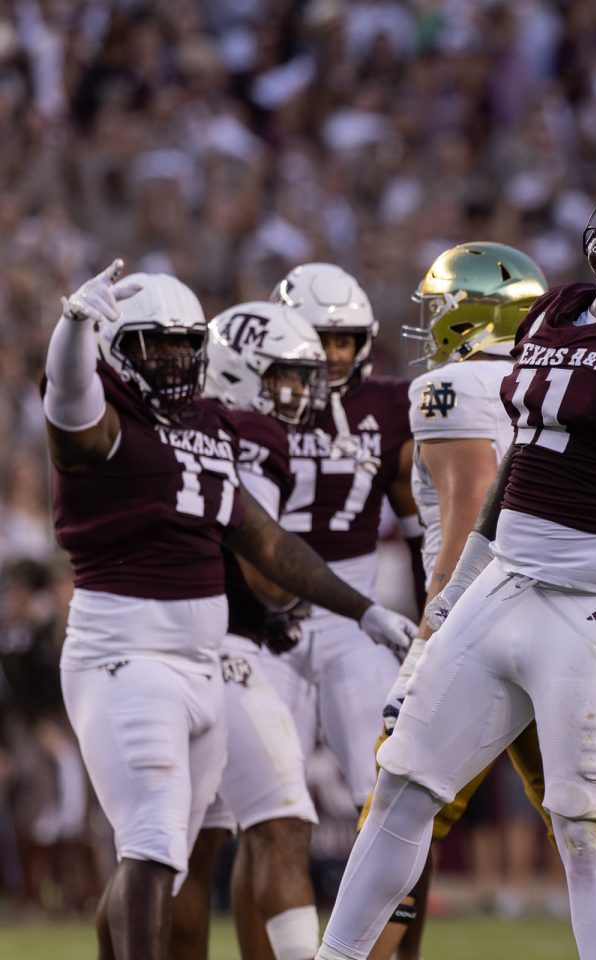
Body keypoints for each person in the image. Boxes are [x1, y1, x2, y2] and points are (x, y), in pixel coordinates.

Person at [315, 184, 596, 960]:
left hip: (595, 612)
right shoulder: (556, 315)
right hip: (503, 589)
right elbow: (519, 463)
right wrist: (465, 578)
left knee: (590, 836)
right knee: (399, 786)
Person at [41, 261, 416, 960]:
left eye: (187, 344)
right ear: (119, 351)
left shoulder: (206, 423)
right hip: (128, 653)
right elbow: (68, 409)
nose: (178, 360)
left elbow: (266, 541)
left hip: (201, 663)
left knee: (169, 855)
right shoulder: (107, 423)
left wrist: (364, 611)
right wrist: (70, 329)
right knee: (162, 845)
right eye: (159, 346)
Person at [372, 240, 550, 959]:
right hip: (559, 624)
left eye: (444, 305)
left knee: (388, 821)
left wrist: (427, 636)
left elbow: (475, 518)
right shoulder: (550, 381)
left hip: (479, 630)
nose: (432, 320)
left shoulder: (452, 391)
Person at [171, 301, 330, 960]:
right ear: (239, 373)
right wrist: (298, 595)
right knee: (283, 821)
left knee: (179, 850)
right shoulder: (252, 434)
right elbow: (265, 573)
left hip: (166, 643)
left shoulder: (191, 424)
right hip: (227, 647)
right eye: (282, 378)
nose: (294, 395)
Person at [263, 263, 419, 816]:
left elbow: (419, 527)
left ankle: (384, 907)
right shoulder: (249, 398)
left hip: (356, 618)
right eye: (321, 339)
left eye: (344, 341)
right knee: (268, 805)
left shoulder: (389, 404)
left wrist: (433, 623)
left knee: (385, 792)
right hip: (267, 611)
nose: (333, 355)